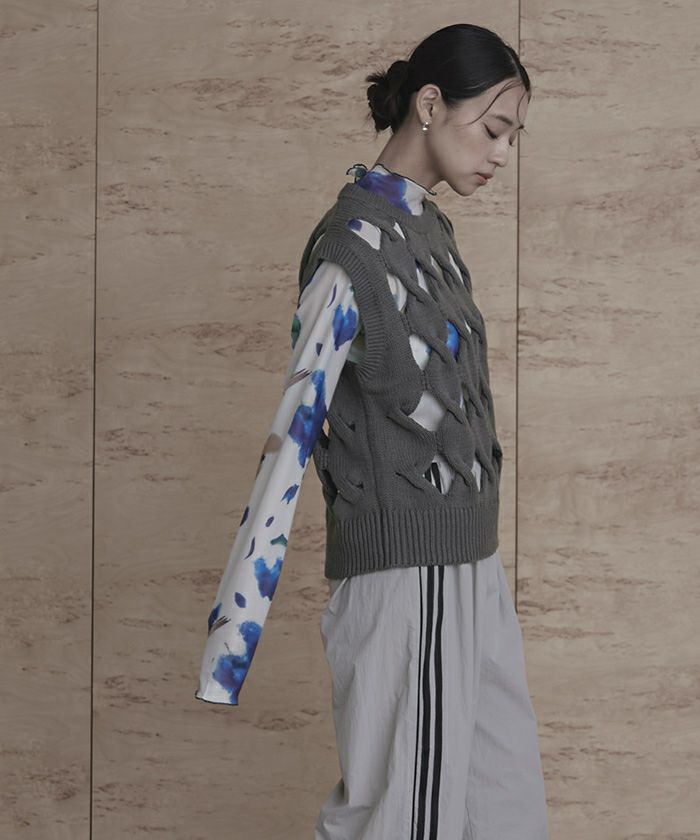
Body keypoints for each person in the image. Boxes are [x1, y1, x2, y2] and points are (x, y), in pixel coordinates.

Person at [196, 22, 549, 840]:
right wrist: (231, 641)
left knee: (502, 813)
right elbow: (290, 438)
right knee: (400, 823)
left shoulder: (428, 230)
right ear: (430, 104)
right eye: (494, 129)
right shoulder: (351, 251)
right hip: (409, 578)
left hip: (470, 567)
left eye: (514, 137)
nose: (503, 154)